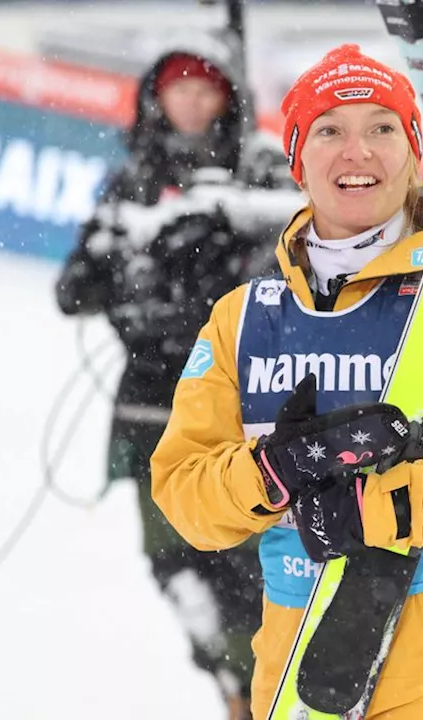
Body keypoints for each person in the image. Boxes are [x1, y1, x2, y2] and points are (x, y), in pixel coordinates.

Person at [149, 44, 423, 720]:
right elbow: (184, 496)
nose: (359, 152)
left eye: (383, 127)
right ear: (297, 157)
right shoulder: (245, 320)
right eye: (330, 130)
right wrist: (272, 473)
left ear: (413, 150)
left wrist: (385, 509)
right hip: (296, 681)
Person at [55, 32, 302, 720]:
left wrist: (224, 230)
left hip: (240, 411)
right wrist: (121, 263)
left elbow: (301, 247)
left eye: (205, 88)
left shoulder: (259, 171)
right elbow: (72, 292)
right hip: (148, 411)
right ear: (155, 97)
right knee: (177, 568)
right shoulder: (131, 180)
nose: (192, 103)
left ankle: (271, 689)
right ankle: (235, 685)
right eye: (179, 89)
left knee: (258, 569)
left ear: (226, 96)